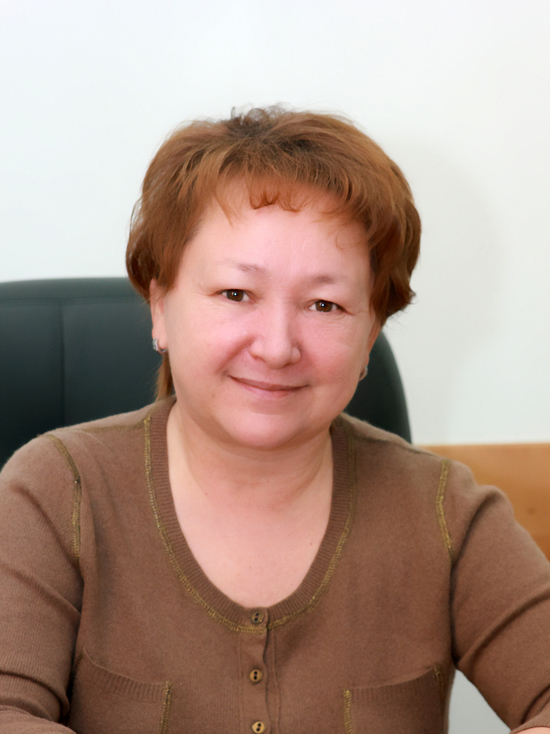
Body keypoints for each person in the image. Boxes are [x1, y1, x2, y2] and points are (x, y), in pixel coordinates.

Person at [1, 107, 549, 734]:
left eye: (325, 304)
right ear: (159, 306)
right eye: (236, 294)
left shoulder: (447, 513)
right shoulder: (58, 492)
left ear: (370, 335)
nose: (277, 346)